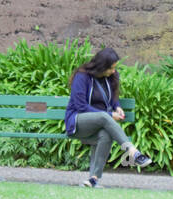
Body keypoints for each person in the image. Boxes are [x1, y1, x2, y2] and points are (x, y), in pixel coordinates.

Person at [64, 47, 151, 187]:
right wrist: (110, 115)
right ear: (101, 66)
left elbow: (113, 98)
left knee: (106, 134)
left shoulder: (110, 77)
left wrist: (117, 106)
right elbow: (80, 106)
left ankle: (93, 179)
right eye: (110, 68)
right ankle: (132, 152)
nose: (113, 71)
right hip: (78, 122)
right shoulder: (82, 77)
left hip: (98, 124)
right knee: (104, 117)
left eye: (114, 68)